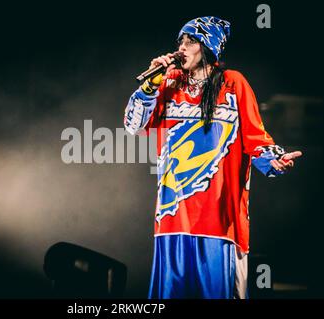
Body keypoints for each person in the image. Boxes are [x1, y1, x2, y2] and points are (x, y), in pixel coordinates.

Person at [123, 16, 302, 299]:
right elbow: (133, 125)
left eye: (190, 40)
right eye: (180, 41)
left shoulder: (233, 84)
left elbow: (255, 140)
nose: (182, 47)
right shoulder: (169, 83)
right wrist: (150, 84)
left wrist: (274, 160)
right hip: (172, 219)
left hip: (219, 224)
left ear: (208, 46)